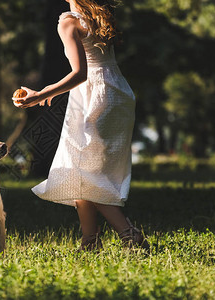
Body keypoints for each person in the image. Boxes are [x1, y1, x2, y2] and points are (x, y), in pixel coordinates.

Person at [13, 0, 148, 250]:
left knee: (85, 173)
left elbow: (80, 73)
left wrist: (40, 94)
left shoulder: (68, 21)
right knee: (81, 169)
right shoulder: (99, 16)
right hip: (117, 92)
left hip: (94, 96)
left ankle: (129, 233)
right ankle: (90, 241)